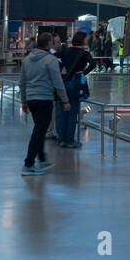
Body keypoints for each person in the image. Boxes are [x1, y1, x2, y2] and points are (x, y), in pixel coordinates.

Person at [19, 33, 69, 176]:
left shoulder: (26, 60)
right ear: (48, 44)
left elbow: (22, 82)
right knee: (39, 131)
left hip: (32, 100)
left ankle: (42, 159)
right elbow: (57, 82)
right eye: (52, 42)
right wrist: (65, 100)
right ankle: (28, 164)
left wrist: (23, 101)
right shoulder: (50, 60)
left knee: (39, 129)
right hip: (45, 99)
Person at [57, 32, 94, 147]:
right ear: (82, 40)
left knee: (63, 111)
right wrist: (84, 72)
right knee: (73, 112)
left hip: (63, 83)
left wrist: (61, 69)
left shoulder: (66, 51)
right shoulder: (84, 53)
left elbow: (54, 57)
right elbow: (93, 63)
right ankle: (69, 140)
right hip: (76, 83)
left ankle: (61, 139)